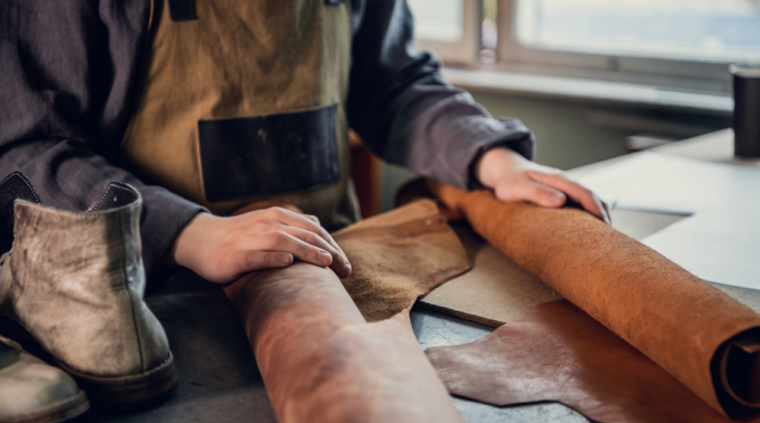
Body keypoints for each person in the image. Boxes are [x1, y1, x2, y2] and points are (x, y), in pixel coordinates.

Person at [0, 0, 609, 286]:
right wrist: (187, 232)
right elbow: (26, 150)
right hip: (154, 296)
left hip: (337, 270)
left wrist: (488, 157)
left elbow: (390, 82)